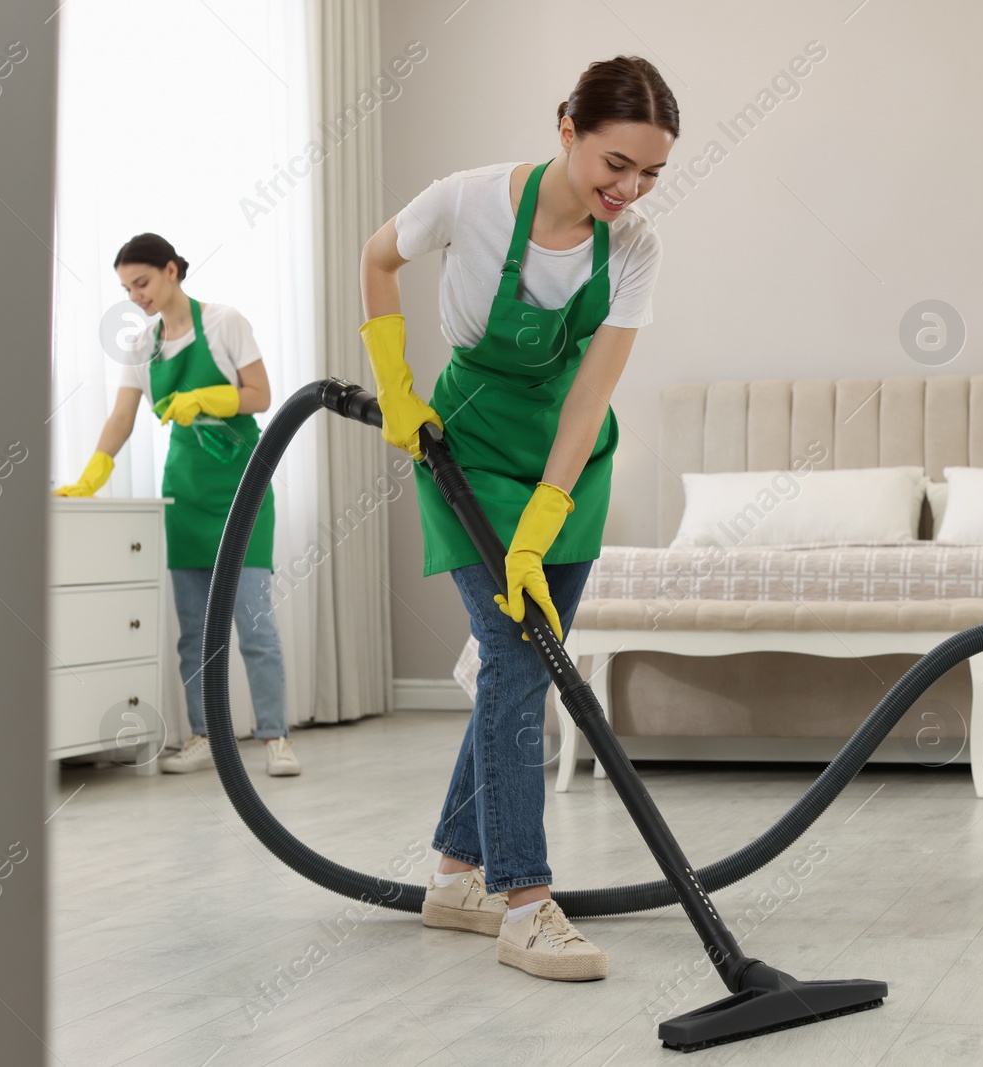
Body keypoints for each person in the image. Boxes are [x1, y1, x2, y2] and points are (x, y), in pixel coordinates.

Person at [358, 56, 676, 981]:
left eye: (651, 172)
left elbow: (588, 398)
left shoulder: (638, 249)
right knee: (514, 656)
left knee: (519, 661)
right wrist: (394, 386)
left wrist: (545, 515)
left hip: (568, 465)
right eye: (616, 163)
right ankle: (525, 902)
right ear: (568, 127)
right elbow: (379, 257)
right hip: (465, 444)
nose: (630, 189)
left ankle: (459, 873)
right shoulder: (470, 201)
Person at [56, 233, 300, 777]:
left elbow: (260, 394)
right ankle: (202, 737)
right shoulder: (141, 345)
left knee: (254, 625)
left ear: (171, 271)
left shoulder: (224, 322)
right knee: (194, 631)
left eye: (141, 282)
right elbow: (123, 417)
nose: (135, 295)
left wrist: (210, 397)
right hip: (186, 491)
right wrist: (93, 471)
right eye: (125, 288)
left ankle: (276, 737)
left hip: (242, 486)